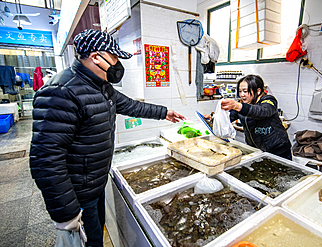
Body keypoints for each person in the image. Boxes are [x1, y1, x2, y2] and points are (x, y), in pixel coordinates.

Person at [29, 29, 185, 247]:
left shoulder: (100, 86)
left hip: (94, 184)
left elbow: (131, 105)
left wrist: (164, 113)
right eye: (114, 57)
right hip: (78, 192)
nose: (117, 62)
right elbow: (45, 160)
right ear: (96, 57)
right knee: (91, 242)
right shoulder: (61, 92)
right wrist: (67, 214)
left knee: (97, 234)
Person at [207, 74, 292, 160]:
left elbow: (262, 111)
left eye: (245, 91)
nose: (242, 95)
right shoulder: (242, 104)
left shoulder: (269, 100)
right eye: (240, 91)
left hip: (278, 150)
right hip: (257, 150)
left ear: (258, 91)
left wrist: (237, 106)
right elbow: (228, 117)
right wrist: (213, 118)